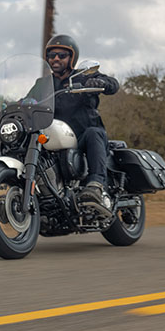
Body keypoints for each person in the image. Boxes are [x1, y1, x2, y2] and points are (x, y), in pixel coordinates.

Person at [44, 34, 119, 213]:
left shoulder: (83, 76)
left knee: (94, 132)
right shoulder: (44, 84)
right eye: (51, 55)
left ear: (72, 58)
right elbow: (29, 99)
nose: (55, 58)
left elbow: (113, 84)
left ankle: (96, 185)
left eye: (61, 55)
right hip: (56, 138)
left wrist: (100, 82)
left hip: (82, 137)